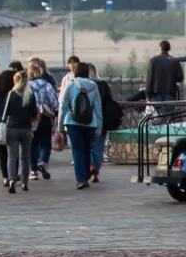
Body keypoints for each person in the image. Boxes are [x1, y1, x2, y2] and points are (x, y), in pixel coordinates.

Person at [59, 60, 103, 190]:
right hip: (90, 123)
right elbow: (98, 108)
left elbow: (63, 105)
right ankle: (86, 176)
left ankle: (80, 179)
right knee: (87, 149)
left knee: (77, 151)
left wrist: (59, 125)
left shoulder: (71, 84)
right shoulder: (94, 86)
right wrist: (99, 127)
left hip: (73, 122)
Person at [2, 65, 38, 194]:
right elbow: (34, 113)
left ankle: (12, 179)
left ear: (16, 81)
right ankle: (24, 182)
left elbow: (5, 113)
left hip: (12, 128)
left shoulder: (11, 94)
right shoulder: (30, 95)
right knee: (25, 157)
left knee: (12, 156)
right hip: (26, 130)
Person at [26, 58, 59, 181]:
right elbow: (54, 102)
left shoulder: (26, 85)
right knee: (45, 143)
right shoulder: (47, 84)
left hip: (31, 118)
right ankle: (43, 162)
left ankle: (33, 171)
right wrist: (55, 112)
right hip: (45, 117)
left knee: (32, 144)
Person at [89, 63, 121, 182]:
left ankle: (91, 164)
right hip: (101, 120)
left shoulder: (82, 85)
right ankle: (95, 171)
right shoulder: (102, 85)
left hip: (86, 120)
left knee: (87, 146)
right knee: (98, 147)